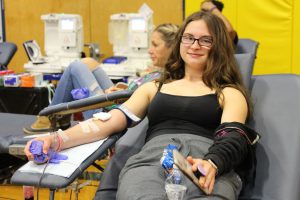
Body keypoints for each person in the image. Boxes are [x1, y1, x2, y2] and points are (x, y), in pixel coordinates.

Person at [24, 11, 259, 199]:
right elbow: (105, 123)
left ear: (218, 46)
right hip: (151, 164)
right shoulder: (154, 87)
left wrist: (213, 163)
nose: (194, 45)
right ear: (180, 42)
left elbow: (233, 136)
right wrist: (56, 139)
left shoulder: (229, 93)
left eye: (205, 40)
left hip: (207, 167)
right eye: (188, 38)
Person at [23, 23, 179, 134]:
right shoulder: (162, 72)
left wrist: (115, 96)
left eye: (155, 45)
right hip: (117, 99)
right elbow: (136, 92)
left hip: (110, 114)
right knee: (88, 62)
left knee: (75, 67)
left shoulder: (163, 77)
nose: (150, 50)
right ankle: (61, 119)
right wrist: (120, 89)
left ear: (171, 48)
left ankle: (48, 117)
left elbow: (138, 102)